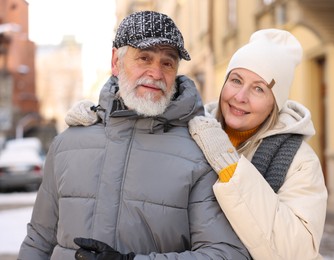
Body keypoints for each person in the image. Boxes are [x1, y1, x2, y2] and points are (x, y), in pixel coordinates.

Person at [65, 28, 328, 259]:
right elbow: (144, 126)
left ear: (276, 102)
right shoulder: (193, 127)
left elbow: (299, 252)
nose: (240, 96)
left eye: (259, 88)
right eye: (235, 80)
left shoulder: (299, 161)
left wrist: (229, 166)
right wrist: (104, 117)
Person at [18, 11, 250, 260]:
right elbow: (38, 241)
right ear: (115, 62)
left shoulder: (198, 155)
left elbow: (226, 253)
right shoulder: (66, 145)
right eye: (144, 58)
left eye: (167, 63)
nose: (156, 73)